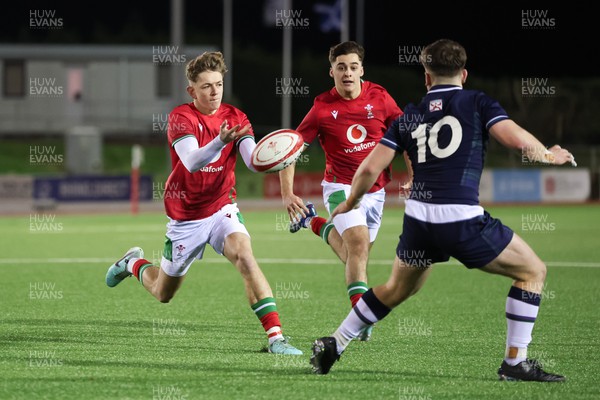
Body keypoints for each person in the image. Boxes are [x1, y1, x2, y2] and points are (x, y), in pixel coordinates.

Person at [310, 39, 572, 381]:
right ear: (463, 74)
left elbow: (370, 170)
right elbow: (517, 140)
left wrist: (349, 202)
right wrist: (549, 154)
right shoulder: (477, 102)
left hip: (419, 220)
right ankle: (514, 362)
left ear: (426, 77)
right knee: (533, 272)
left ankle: (334, 343)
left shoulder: (411, 114)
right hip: (461, 219)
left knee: (397, 289)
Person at [105, 51, 302, 355]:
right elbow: (193, 161)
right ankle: (132, 262)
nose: (214, 92)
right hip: (186, 216)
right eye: (207, 86)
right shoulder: (180, 118)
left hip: (223, 206)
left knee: (245, 257)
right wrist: (220, 141)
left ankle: (276, 337)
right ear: (192, 90)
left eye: (219, 84)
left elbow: (251, 160)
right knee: (163, 293)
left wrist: (278, 155)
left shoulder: (236, 117)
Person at [279, 41, 408, 341]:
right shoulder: (322, 107)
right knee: (358, 246)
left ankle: (312, 222)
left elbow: (406, 136)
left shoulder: (380, 98)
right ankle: (360, 317)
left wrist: (414, 176)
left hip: (376, 191)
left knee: (355, 255)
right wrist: (288, 193)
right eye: (341, 67)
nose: (347, 73)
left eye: (353, 67)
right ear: (332, 72)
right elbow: (291, 149)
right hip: (338, 186)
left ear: (362, 70)